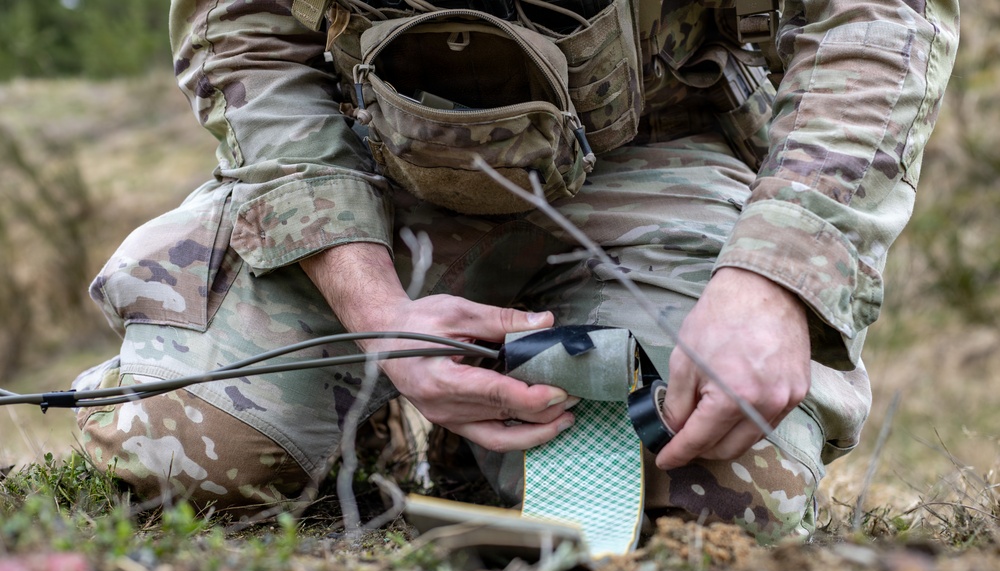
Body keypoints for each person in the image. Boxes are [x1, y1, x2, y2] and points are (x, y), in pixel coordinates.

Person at [75, 0, 958, 542]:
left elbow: (878, 17)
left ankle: (487, 450)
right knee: (190, 457)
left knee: (708, 500)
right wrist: (375, 315)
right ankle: (358, 429)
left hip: (653, 159)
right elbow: (245, 34)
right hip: (366, 172)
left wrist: (771, 279)